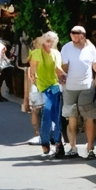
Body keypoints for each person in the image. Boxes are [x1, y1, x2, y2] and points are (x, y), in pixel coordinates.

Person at [59, 26, 96, 159]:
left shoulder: (90, 48)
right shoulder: (66, 47)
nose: (76, 38)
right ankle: (73, 147)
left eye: (78, 35)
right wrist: (61, 76)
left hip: (86, 87)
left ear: (84, 35)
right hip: (70, 87)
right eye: (73, 35)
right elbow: (63, 66)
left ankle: (90, 148)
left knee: (89, 117)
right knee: (72, 117)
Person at [32, 31, 64, 159]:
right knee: (46, 116)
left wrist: (65, 76)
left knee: (56, 116)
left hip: (54, 87)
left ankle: (57, 142)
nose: (50, 43)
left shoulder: (56, 53)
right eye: (48, 40)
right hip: (42, 88)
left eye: (52, 41)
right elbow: (32, 72)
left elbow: (58, 69)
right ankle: (45, 142)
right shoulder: (36, 53)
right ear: (43, 41)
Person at [21, 35, 46, 144]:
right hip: (47, 86)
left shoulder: (33, 56)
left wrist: (26, 99)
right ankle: (44, 134)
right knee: (46, 111)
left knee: (35, 111)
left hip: (35, 87)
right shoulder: (51, 54)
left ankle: (37, 133)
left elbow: (29, 75)